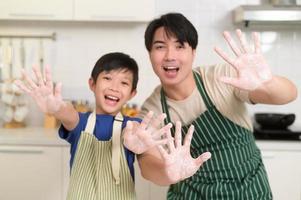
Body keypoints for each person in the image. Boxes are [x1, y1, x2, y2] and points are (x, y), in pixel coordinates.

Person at [137, 12, 298, 199]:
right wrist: (167, 174)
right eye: (160, 47)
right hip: (193, 195)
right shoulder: (152, 110)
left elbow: (288, 94)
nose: (170, 56)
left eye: (179, 46)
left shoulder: (221, 78)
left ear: (193, 52)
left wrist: (267, 83)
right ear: (150, 54)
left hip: (249, 191)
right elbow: (147, 163)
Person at [14, 52, 173, 200]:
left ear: (132, 93)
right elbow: (68, 113)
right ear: (92, 84)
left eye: (124, 82)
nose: (114, 87)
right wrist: (56, 108)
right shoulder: (80, 123)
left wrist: (169, 172)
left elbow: (137, 140)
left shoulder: (132, 127)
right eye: (107, 78)